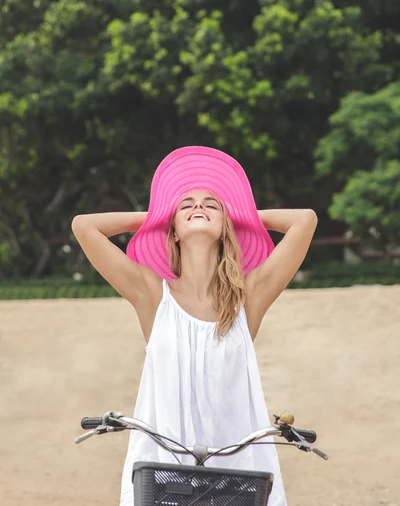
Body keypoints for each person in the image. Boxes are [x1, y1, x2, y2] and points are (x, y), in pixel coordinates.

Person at [71, 146, 318, 506]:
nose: (198, 207)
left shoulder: (247, 298)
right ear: (172, 230)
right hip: (164, 470)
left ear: (226, 227)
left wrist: (241, 213)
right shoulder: (153, 295)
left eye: (211, 204)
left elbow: (305, 220)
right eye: (186, 204)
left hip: (238, 470)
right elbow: (84, 226)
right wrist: (159, 214)